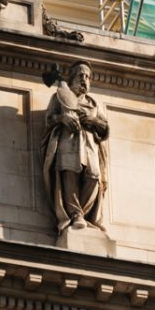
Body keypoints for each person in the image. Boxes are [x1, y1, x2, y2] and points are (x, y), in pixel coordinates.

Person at [43, 61, 109, 231]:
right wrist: (62, 119)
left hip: (89, 143)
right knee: (69, 172)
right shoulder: (61, 96)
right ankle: (75, 214)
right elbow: (48, 120)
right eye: (81, 75)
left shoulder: (95, 104)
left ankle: (85, 213)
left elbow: (105, 128)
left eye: (87, 77)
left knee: (94, 176)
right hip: (69, 139)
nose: (84, 80)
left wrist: (93, 121)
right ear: (71, 79)